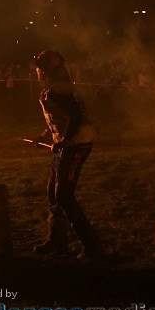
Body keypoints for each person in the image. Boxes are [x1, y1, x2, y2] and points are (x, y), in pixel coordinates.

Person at [32, 49, 103, 259]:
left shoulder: (58, 90)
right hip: (65, 145)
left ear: (44, 71)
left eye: (38, 68)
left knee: (64, 195)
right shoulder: (55, 89)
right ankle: (57, 242)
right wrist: (46, 136)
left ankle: (93, 248)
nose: (35, 71)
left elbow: (76, 116)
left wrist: (64, 140)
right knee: (53, 194)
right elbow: (59, 118)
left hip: (76, 146)